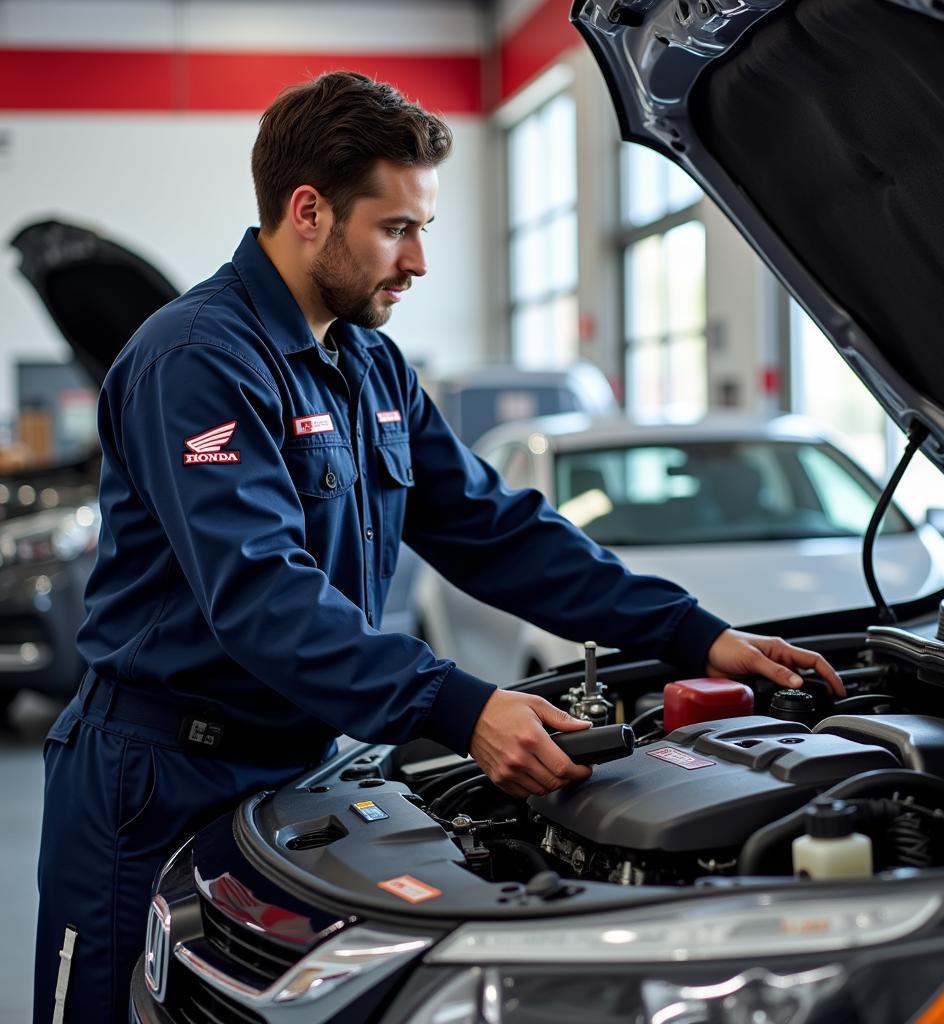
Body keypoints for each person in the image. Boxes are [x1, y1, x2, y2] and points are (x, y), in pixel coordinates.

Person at [33, 70, 844, 1024]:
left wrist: (696, 635)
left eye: (423, 229)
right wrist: (459, 708)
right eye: (396, 228)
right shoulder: (197, 362)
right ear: (308, 212)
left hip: (294, 769)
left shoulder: (369, 362)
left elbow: (495, 529)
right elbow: (261, 595)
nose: (417, 260)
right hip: (153, 778)